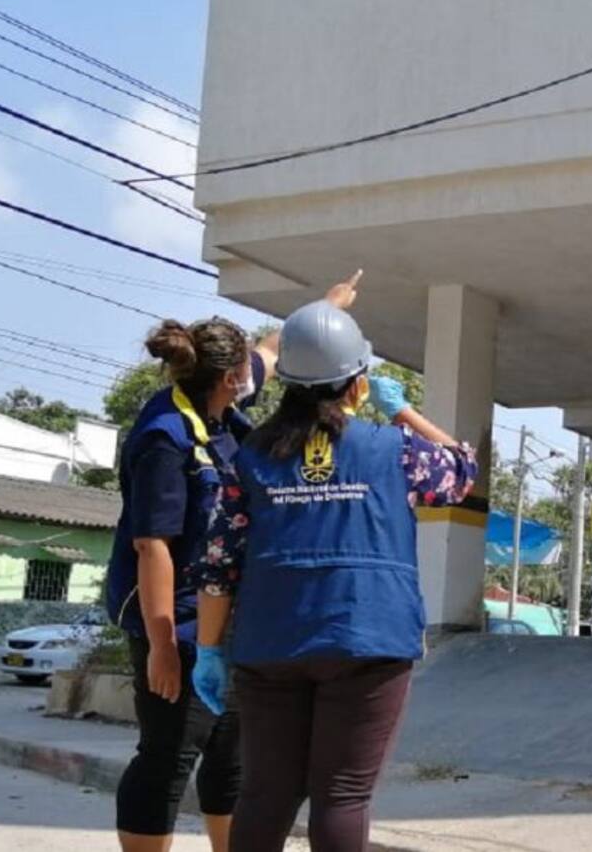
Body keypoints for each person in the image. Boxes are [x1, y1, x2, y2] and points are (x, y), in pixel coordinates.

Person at [190, 298, 478, 852]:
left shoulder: (249, 458)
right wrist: (403, 413)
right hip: (368, 638)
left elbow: (219, 566)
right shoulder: (394, 449)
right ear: (357, 383)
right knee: (342, 795)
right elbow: (462, 469)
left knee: (266, 794)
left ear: (289, 383)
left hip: (271, 643)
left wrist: (207, 648)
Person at [105, 275, 361, 852]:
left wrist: (328, 306)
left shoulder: (219, 405)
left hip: (227, 618)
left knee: (230, 751)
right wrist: (165, 647)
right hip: (173, 616)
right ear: (227, 379)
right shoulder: (165, 439)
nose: (254, 376)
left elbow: (270, 350)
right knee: (170, 753)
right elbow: (153, 547)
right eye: (242, 372)